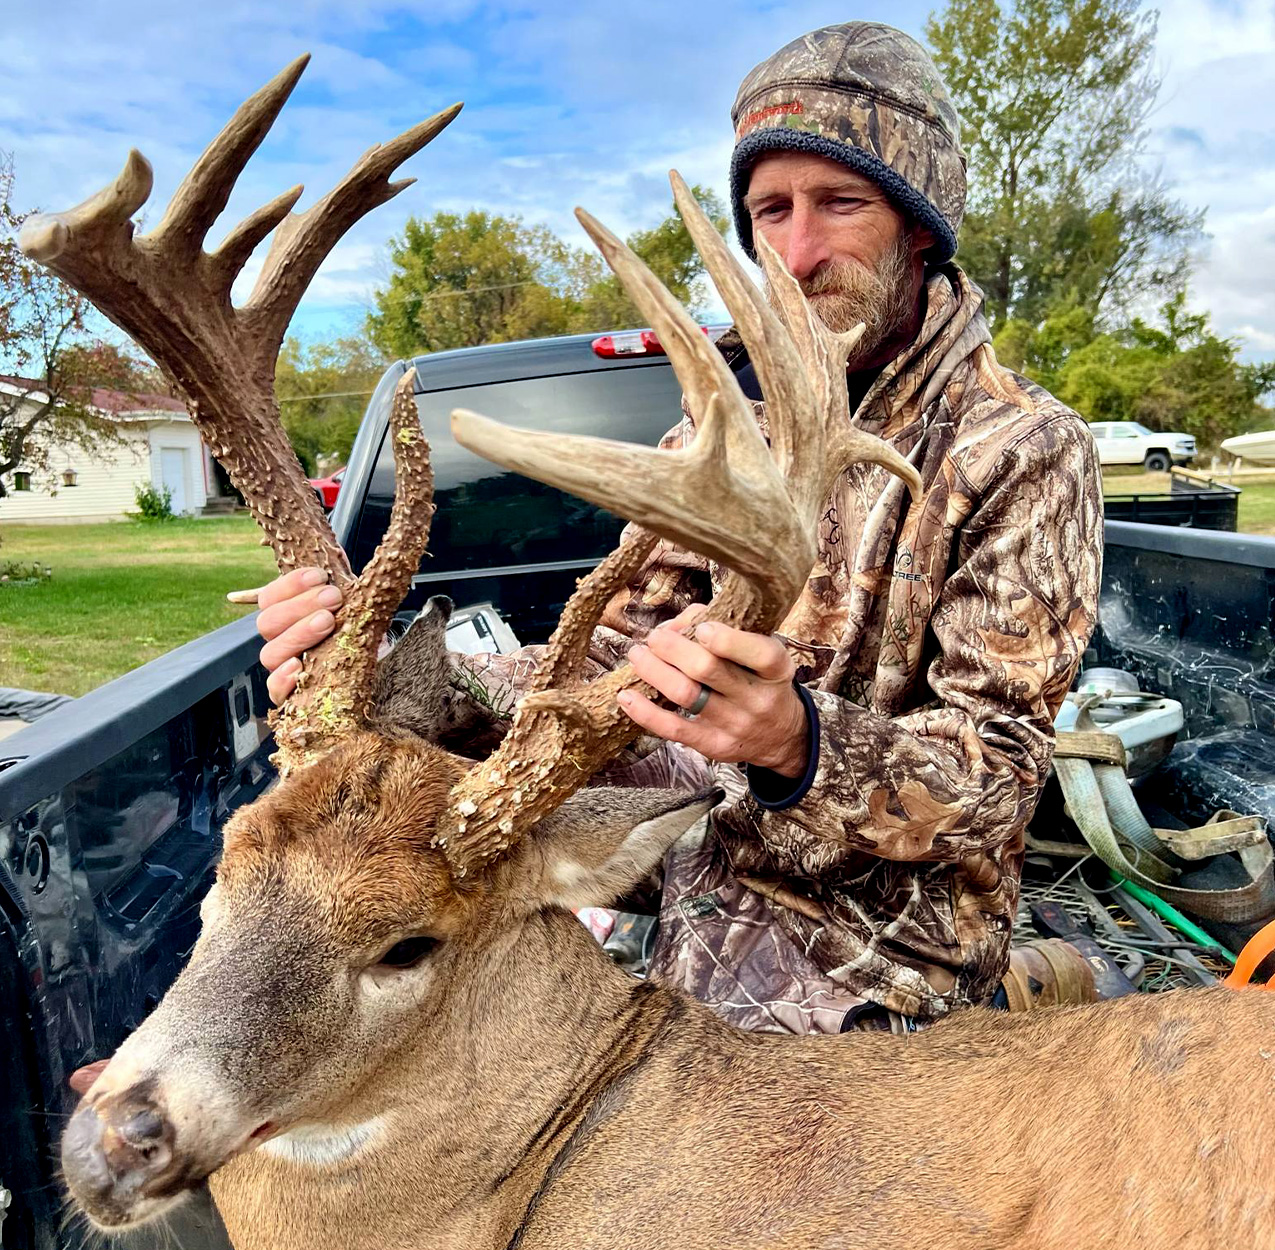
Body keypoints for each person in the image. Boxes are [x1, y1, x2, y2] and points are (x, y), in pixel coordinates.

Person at [252, 22, 1102, 1034]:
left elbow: (997, 780)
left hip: (885, 926)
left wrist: (801, 741)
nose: (796, 252)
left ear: (920, 226)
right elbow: (614, 652)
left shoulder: (1022, 447)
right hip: (700, 838)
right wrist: (391, 673)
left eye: (840, 204)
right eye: (768, 210)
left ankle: (1009, 989)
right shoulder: (717, 426)